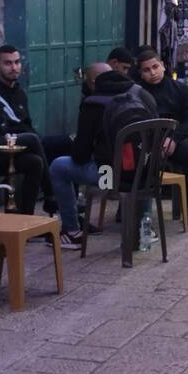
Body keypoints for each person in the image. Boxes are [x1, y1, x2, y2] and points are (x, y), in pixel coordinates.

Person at [49, 63, 155, 249]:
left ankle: (72, 232)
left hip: (110, 178)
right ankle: (144, 230)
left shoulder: (93, 103)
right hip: (149, 175)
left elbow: (80, 156)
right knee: (142, 164)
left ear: (92, 82)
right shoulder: (143, 94)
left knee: (59, 166)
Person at [0, 44, 56, 213]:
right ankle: (51, 195)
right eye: (8, 63)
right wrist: (15, 131)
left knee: (36, 161)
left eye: (16, 62)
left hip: (15, 147)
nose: (14, 67)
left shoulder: (19, 92)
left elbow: (24, 124)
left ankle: (25, 221)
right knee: (32, 138)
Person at [136, 49, 188, 227]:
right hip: (146, 142)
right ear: (140, 73)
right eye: (146, 70)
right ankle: (129, 205)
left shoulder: (180, 89)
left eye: (155, 67)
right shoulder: (137, 92)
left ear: (163, 66)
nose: (152, 73)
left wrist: (174, 138)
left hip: (174, 140)